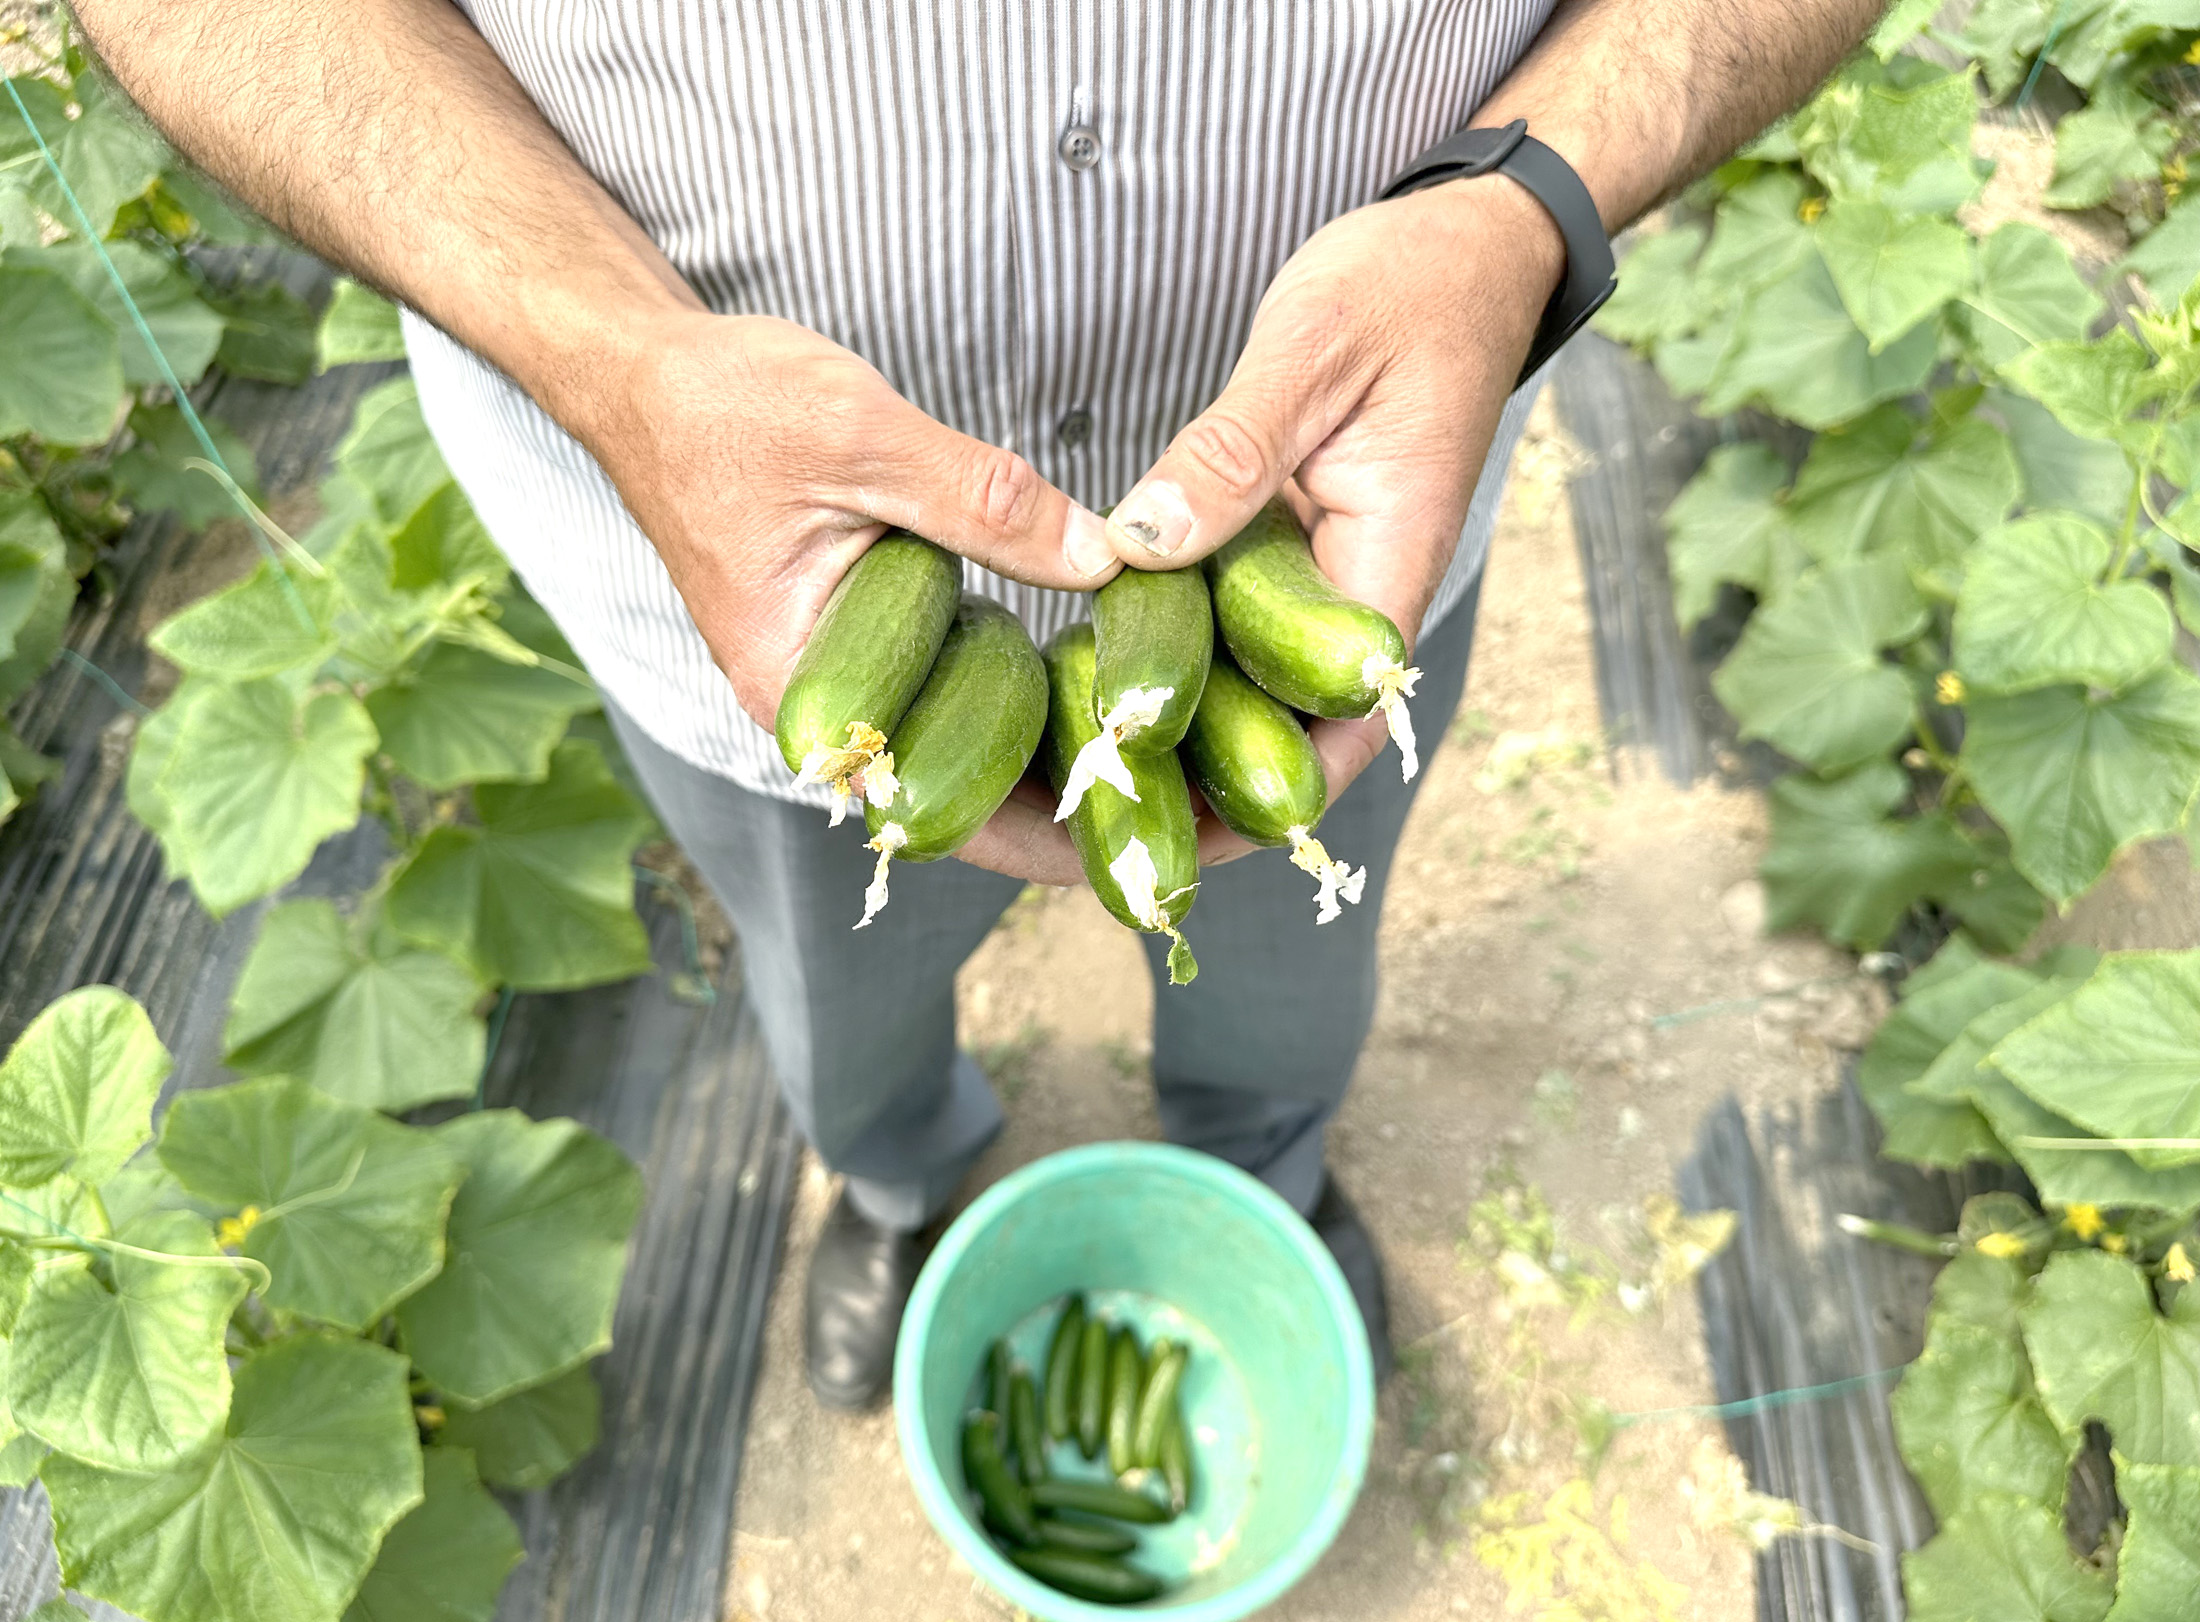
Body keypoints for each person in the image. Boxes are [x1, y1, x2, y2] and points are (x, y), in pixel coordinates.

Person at [80, 0, 1881, 1410]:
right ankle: (902, 1182)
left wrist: (1529, 204)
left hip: (1332, 536)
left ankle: (1261, 1159)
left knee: (1283, 922)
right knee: (833, 967)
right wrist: (616, 355)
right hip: (714, 549)